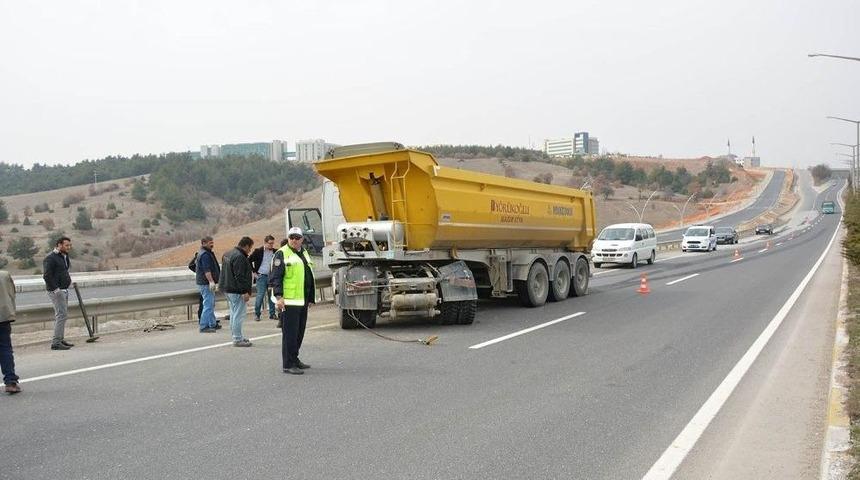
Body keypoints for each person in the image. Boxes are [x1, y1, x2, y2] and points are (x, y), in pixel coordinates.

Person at [270, 227, 315, 375]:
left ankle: (295, 359)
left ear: (302, 239)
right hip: (288, 301)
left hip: (301, 300)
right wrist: (279, 297)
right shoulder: (281, 253)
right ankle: (288, 364)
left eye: (297, 237)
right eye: (291, 237)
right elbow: (276, 277)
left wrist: (310, 297)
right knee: (289, 334)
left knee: (299, 332)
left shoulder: (303, 252)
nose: (294, 240)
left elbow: (308, 275)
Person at [220, 237, 255, 347]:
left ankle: (236, 335)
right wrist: (245, 291)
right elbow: (239, 276)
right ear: (246, 246)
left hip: (227, 288)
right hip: (236, 290)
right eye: (250, 248)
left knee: (234, 313)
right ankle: (237, 338)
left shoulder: (227, 254)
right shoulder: (240, 257)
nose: (250, 251)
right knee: (238, 315)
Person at [43, 236, 73, 351]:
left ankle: (60, 339)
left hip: (64, 289)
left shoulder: (64, 256)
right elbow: (46, 275)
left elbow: (63, 271)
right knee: (61, 315)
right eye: (66, 245)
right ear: (59, 245)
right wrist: (56, 290)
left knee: (63, 315)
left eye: (69, 245)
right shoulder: (50, 258)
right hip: (57, 291)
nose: (68, 247)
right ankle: (56, 342)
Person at [195, 236, 221, 333]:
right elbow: (207, 270)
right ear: (203, 243)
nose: (212, 244)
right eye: (210, 243)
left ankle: (212, 324)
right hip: (205, 283)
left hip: (204, 282)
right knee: (208, 305)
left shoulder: (205, 253)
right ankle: (203, 326)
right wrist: (211, 281)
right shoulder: (205, 254)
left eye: (212, 242)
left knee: (210, 303)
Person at [0, 270, 20, 394]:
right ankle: (10, 381)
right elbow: (12, 294)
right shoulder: (5, 275)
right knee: (5, 349)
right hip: (3, 316)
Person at [249, 235, 277, 321]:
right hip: (261, 276)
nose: (271, 245)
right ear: (265, 243)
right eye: (270, 243)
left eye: (272, 243)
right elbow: (249, 260)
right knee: (260, 295)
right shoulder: (259, 251)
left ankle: (272, 314)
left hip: (271, 276)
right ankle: (257, 314)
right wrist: (254, 272)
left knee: (271, 296)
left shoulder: (276, 252)